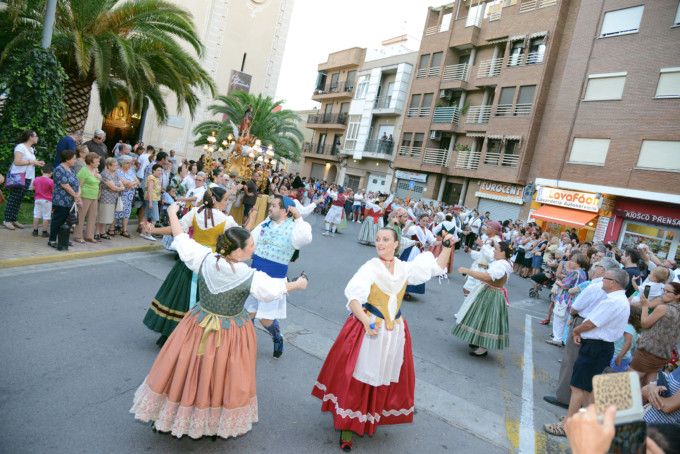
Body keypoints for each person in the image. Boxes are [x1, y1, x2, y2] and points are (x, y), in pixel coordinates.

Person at [130, 203, 308, 440]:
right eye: (251, 246)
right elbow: (275, 289)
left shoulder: (204, 258)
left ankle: (173, 412)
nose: (254, 248)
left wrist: (172, 212)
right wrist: (298, 284)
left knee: (186, 368)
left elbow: (181, 237)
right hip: (230, 332)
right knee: (220, 374)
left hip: (197, 323)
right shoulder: (249, 275)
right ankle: (210, 420)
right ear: (238, 252)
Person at [311, 227, 453, 451]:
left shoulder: (405, 268)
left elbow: (436, 267)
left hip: (393, 330)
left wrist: (446, 247)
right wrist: (366, 322)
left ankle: (369, 416)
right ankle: (347, 425)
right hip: (369, 327)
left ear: (396, 244)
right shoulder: (371, 267)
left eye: (386, 239)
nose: (380, 243)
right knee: (358, 377)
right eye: (378, 239)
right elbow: (353, 297)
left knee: (382, 375)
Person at [142, 187, 240, 346]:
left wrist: (154, 229)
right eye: (225, 200)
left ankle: (170, 334)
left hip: (190, 258)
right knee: (205, 301)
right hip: (209, 263)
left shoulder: (195, 212)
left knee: (179, 296)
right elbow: (241, 237)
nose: (226, 203)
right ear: (215, 200)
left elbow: (176, 230)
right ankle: (194, 338)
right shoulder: (226, 220)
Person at [544, 268, 631, 437]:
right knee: (586, 389)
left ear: (613, 283)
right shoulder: (619, 300)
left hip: (596, 347)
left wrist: (577, 330)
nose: (602, 281)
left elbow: (591, 323)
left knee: (578, 387)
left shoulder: (612, 301)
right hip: (600, 347)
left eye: (605, 278)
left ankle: (567, 426)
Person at [543, 257, 621, 409]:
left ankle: (564, 397)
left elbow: (576, 306)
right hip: (595, 327)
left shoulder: (595, 286)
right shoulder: (610, 291)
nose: (594, 268)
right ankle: (575, 400)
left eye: (597, 266)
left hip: (583, 322)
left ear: (603, 270)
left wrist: (574, 320)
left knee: (571, 360)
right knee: (580, 364)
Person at [244, 195, 313, 358]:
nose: (270, 208)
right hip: (255, 275)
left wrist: (298, 217)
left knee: (265, 320)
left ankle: (277, 336)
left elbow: (305, 238)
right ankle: (245, 346)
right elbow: (250, 240)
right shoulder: (266, 223)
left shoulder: (294, 227)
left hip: (274, 279)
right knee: (247, 315)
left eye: (274, 205)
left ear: (285, 211)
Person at [452, 241, 514, 357]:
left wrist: (468, 271)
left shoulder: (501, 265)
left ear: (503, 253)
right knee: (480, 316)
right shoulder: (503, 262)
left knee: (486, 318)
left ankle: (482, 348)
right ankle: (477, 341)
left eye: (496, 249)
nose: (494, 250)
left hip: (492, 293)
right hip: (490, 291)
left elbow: (487, 277)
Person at [630, 282, 680, 385]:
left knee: (628, 382)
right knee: (649, 386)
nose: (663, 293)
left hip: (648, 352)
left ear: (677, 295)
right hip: (664, 355)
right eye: (663, 290)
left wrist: (645, 306)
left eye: (667, 291)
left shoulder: (663, 308)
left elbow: (644, 324)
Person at [4, 130, 45, 230]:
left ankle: (13, 219)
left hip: (27, 177)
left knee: (19, 198)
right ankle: (7, 220)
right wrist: (32, 162)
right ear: (30, 137)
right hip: (18, 176)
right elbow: (17, 162)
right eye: (36, 136)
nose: (37, 138)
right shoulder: (20, 147)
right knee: (14, 198)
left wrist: (37, 162)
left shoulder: (31, 149)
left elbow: (29, 162)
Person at [547, 253, 590, 347]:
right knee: (566, 319)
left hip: (566, 297)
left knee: (559, 317)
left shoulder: (575, 272)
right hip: (574, 299)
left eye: (573, 261)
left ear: (578, 263)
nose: (570, 262)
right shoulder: (583, 273)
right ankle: (561, 338)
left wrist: (559, 283)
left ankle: (557, 338)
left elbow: (566, 285)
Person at [48, 150, 81, 249]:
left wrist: (77, 195)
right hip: (61, 200)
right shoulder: (59, 169)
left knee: (67, 221)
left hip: (71, 200)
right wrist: (76, 196)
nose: (75, 160)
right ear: (67, 159)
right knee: (58, 220)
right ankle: (52, 240)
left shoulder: (71, 169)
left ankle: (63, 239)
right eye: (74, 158)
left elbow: (77, 183)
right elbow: (65, 185)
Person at [75, 153, 101, 243]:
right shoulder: (84, 170)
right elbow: (79, 185)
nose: (99, 163)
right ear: (91, 162)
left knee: (92, 217)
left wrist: (99, 177)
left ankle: (89, 236)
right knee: (81, 217)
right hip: (84, 196)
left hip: (94, 197)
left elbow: (97, 182)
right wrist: (78, 198)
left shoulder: (95, 170)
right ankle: (78, 236)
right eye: (97, 161)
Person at [96, 158, 125, 239]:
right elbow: (113, 187)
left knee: (106, 216)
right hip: (105, 198)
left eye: (117, 165)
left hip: (113, 198)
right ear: (108, 166)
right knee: (101, 216)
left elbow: (122, 185)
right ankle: (97, 232)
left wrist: (117, 188)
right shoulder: (105, 174)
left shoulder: (116, 174)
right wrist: (117, 188)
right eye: (114, 165)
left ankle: (102, 232)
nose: (116, 167)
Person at [114, 155, 139, 237]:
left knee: (127, 212)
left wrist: (131, 183)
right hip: (121, 195)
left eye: (130, 163)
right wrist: (131, 183)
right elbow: (125, 183)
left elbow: (138, 182)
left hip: (130, 196)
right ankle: (114, 228)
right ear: (122, 163)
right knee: (118, 211)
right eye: (127, 163)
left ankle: (124, 230)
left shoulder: (131, 171)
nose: (130, 165)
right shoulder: (118, 171)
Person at [32, 165, 54, 237]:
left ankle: (35, 231)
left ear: (42, 171)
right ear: (51, 173)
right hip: (47, 200)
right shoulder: (51, 181)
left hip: (37, 199)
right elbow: (53, 191)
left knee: (36, 215)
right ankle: (44, 232)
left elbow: (33, 188)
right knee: (46, 216)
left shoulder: (36, 179)